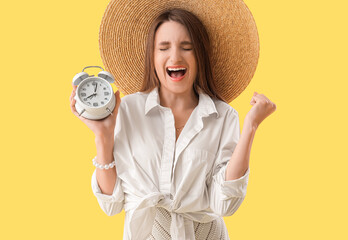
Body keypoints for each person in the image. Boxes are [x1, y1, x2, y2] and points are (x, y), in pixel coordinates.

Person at [70, 4, 276, 240]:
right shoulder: (127, 110)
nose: (175, 56)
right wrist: (103, 136)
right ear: (153, 57)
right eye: (164, 47)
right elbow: (111, 204)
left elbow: (224, 205)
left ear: (200, 56)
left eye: (187, 48)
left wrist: (251, 126)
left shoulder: (225, 116)